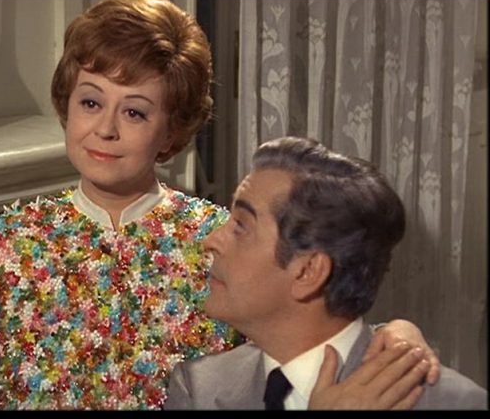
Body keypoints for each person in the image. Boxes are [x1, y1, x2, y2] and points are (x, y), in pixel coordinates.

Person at [0, 0, 439, 410]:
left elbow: (312, 335)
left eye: (136, 111)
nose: (106, 129)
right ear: (67, 106)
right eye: (91, 102)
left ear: (171, 132)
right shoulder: (16, 239)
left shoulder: (218, 239)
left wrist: (398, 335)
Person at [164, 136, 487, 410]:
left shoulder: (452, 402)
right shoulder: (199, 389)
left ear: (308, 271)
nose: (210, 241)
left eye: (241, 227)